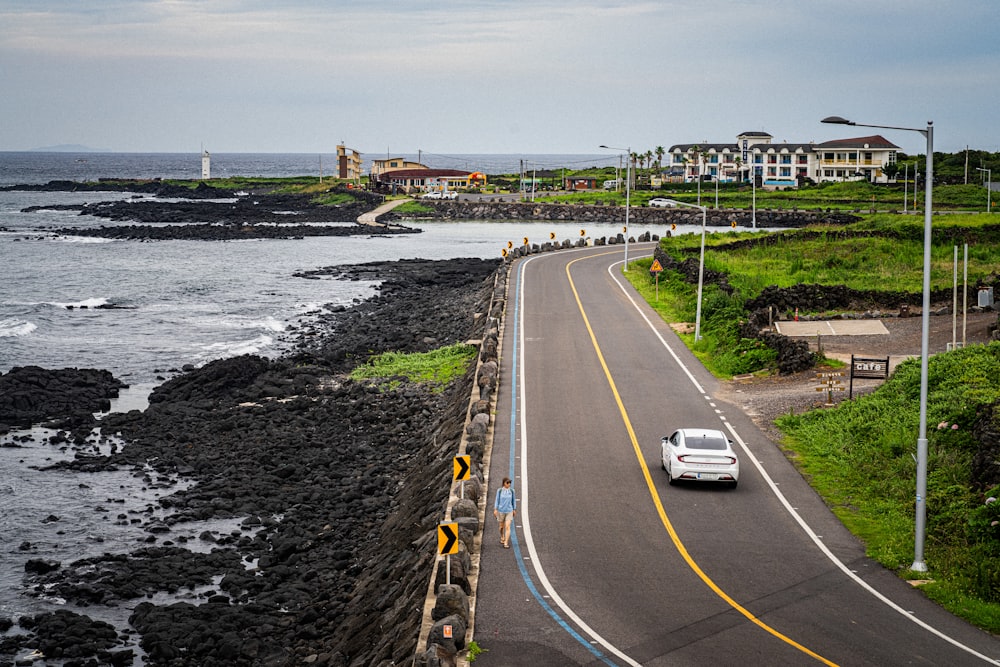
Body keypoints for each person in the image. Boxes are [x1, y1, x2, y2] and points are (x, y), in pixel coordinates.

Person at [493, 477, 516, 549]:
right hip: (501, 510)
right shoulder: (499, 491)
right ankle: (502, 536)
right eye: (507, 483)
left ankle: (506, 542)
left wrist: (514, 509)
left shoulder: (512, 491)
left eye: (510, 483)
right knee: (501, 527)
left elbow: (513, 500)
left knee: (508, 526)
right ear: (504, 483)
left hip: (509, 510)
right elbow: (497, 500)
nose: (509, 484)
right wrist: (495, 509)